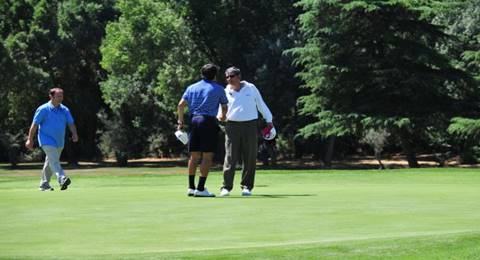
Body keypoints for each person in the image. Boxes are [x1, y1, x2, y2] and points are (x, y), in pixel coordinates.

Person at [220, 67, 274, 196]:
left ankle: (247, 186)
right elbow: (221, 108)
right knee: (230, 157)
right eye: (227, 77)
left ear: (238, 76)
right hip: (231, 125)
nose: (229, 79)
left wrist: (269, 120)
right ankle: (226, 187)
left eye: (231, 76)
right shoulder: (225, 91)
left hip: (250, 124)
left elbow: (261, 104)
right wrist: (220, 116)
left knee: (249, 156)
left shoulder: (250, 88)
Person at [177, 63, 228, 197]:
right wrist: (223, 117)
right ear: (215, 75)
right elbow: (224, 107)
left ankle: (191, 187)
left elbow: (181, 105)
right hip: (208, 122)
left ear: (202, 73)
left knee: (194, 156)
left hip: (194, 121)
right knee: (207, 156)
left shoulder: (192, 87)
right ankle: (200, 189)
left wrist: (180, 122)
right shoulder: (218, 89)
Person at [25, 88, 78, 191]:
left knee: (50, 162)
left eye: (61, 96)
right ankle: (62, 178)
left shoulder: (65, 109)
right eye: (58, 96)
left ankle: (44, 184)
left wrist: (74, 133)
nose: (60, 98)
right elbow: (35, 124)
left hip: (59, 141)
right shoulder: (43, 109)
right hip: (46, 140)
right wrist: (30, 139)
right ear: (51, 96)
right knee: (54, 160)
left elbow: (71, 123)